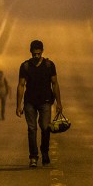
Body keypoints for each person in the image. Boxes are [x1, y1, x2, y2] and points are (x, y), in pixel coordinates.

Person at [16, 39, 64, 168]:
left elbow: (55, 83)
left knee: (45, 127)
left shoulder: (49, 65)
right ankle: (33, 157)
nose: (36, 56)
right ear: (30, 52)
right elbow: (21, 85)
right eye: (34, 54)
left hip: (46, 101)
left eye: (38, 53)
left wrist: (59, 102)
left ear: (42, 51)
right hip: (30, 102)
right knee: (32, 129)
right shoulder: (25, 66)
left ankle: (45, 151)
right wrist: (18, 105)